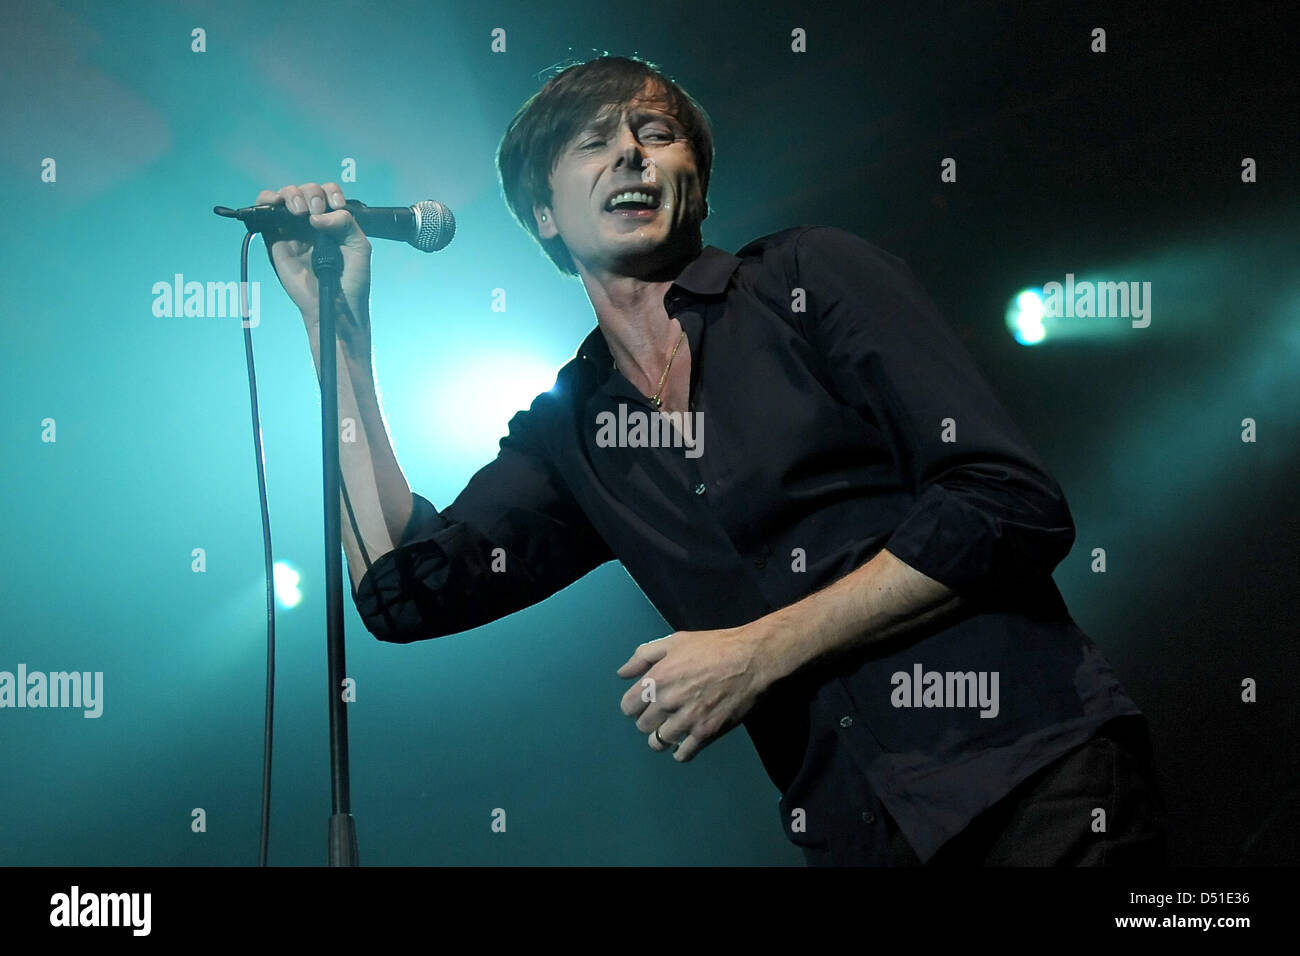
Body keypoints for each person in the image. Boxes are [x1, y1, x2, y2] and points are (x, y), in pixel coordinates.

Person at [257, 54, 1168, 866]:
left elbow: (1008, 503)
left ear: (696, 180)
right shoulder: (575, 428)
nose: (631, 155)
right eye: (592, 144)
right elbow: (404, 591)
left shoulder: (807, 280)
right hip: (864, 834)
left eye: (656, 134)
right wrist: (332, 322)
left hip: (1035, 776)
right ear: (542, 213)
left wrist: (760, 651)